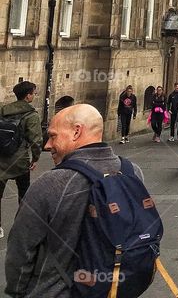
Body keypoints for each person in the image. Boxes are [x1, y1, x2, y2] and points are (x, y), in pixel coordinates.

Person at [4, 104, 146, 297]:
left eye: (53, 136)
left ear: (76, 131)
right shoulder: (133, 172)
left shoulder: (50, 183)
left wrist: (18, 292)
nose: (47, 145)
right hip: (116, 289)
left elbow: (20, 250)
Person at [0, 81, 42, 241]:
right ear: (28, 95)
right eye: (34, 92)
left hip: (1, 159)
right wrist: (36, 158)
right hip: (20, 161)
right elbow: (36, 140)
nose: (34, 95)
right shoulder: (31, 115)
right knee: (24, 194)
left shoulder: (3, 110)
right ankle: (21, 225)